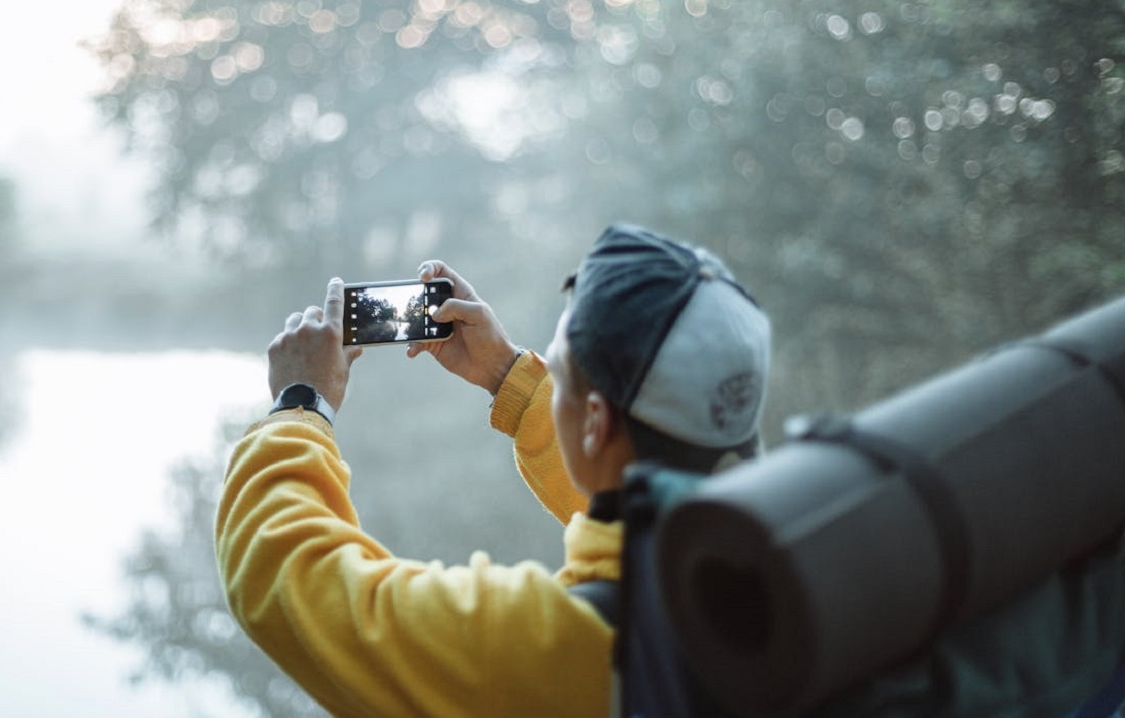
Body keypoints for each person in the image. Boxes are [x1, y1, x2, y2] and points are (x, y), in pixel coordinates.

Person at [214, 223, 772, 717]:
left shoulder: (549, 647)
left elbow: (287, 575)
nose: (550, 382)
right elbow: (629, 491)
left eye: (558, 373)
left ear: (596, 423)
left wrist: (301, 402)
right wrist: (508, 375)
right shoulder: (780, 552)